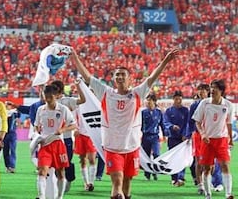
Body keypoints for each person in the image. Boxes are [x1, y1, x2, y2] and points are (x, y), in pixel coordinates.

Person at [70, 47, 179, 199]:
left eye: (123, 74)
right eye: (117, 75)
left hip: (132, 147)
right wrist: (74, 55)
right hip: (112, 147)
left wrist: (166, 61)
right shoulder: (105, 92)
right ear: (113, 79)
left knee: (127, 183)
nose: (120, 77)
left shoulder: (137, 93)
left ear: (130, 79)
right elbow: (87, 77)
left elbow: (152, 78)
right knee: (117, 181)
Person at [192, 79, 234, 199]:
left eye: (215, 87)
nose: (212, 90)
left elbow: (229, 123)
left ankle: (228, 194)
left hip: (222, 140)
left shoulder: (228, 105)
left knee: (225, 165)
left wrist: (230, 138)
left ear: (221, 90)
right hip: (207, 140)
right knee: (207, 168)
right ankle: (208, 194)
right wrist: (203, 134)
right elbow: (198, 121)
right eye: (211, 87)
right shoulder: (204, 103)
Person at [34, 84, 77, 199]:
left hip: (58, 144)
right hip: (45, 144)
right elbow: (36, 125)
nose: (47, 99)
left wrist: (63, 129)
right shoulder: (40, 110)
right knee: (42, 171)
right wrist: (37, 131)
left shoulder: (63, 109)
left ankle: (59, 197)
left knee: (60, 172)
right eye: (46, 97)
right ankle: (41, 196)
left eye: (50, 97)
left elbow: (74, 125)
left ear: (56, 96)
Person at [51, 79, 86, 192]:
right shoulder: (49, 102)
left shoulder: (67, 101)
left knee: (66, 161)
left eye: (55, 89)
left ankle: (69, 179)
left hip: (66, 138)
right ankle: (58, 182)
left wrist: (78, 87)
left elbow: (83, 100)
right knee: (54, 162)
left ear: (60, 90)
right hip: (53, 138)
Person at [163, 90, 190, 187]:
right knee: (173, 159)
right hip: (172, 138)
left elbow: (188, 124)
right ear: (173, 99)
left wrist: (185, 134)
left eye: (180, 99)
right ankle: (174, 178)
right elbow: (165, 122)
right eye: (176, 99)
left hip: (182, 139)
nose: (178, 101)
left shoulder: (186, 111)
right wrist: (172, 126)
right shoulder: (169, 111)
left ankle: (181, 177)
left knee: (182, 158)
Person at [141, 93, 166, 181]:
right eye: (147, 100)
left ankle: (155, 172)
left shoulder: (159, 112)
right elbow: (140, 125)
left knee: (156, 154)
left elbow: (162, 124)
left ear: (154, 102)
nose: (148, 102)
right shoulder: (143, 112)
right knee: (146, 156)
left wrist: (165, 135)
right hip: (145, 136)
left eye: (150, 100)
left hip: (155, 137)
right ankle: (147, 174)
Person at [3, 102, 20, 173]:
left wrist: (14, 105)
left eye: (9, 105)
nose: (8, 106)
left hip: (12, 134)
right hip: (4, 133)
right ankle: (7, 166)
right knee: (5, 150)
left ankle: (12, 166)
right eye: (7, 105)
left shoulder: (14, 113)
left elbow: (19, 112)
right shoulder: (3, 113)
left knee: (13, 150)